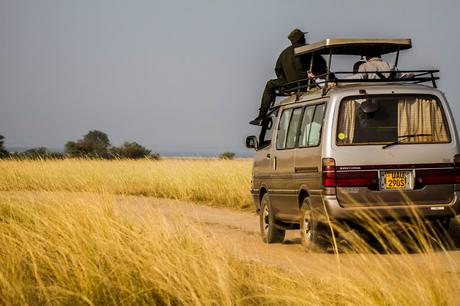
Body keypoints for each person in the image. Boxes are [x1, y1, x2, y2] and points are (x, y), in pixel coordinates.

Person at [250, 29, 327, 126]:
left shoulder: (284, 53)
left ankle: (261, 116)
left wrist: (285, 81)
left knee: (269, 85)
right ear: (302, 39)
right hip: (307, 83)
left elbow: (277, 69)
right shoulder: (310, 50)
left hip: (289, 85)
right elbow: (323, 67)